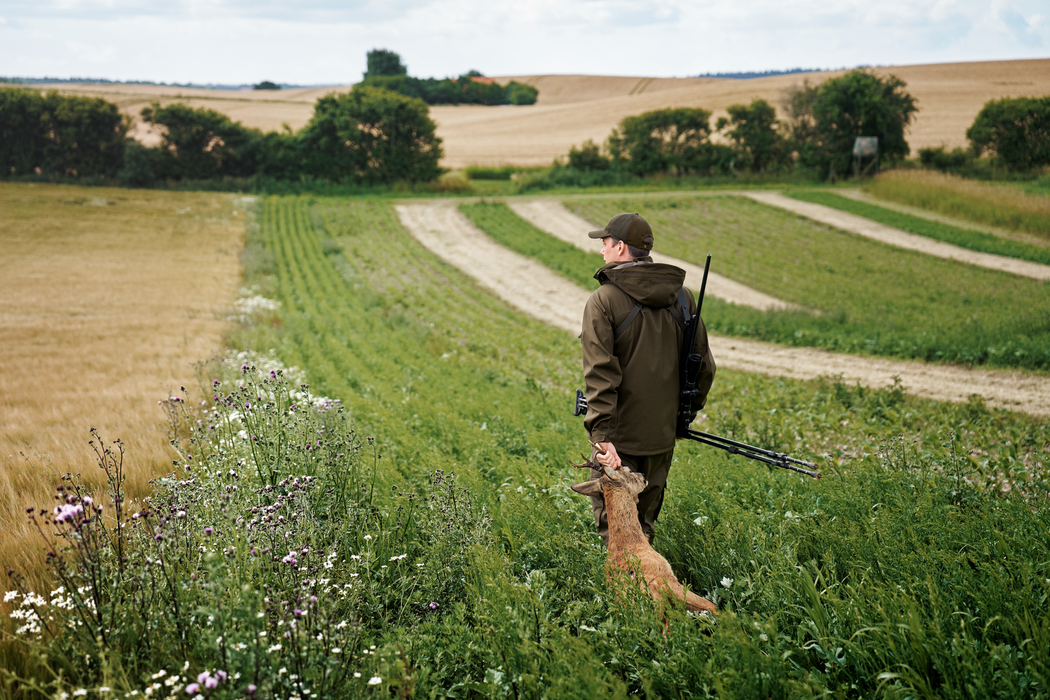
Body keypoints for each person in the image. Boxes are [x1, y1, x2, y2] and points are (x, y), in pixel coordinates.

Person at [581, 212, 716, 545]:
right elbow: (703, 367)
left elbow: (601, 374)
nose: (602, 249)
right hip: (661, 438)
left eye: (605, 242)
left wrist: (602, 436)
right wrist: (682, 418)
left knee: (618, 535)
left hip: (618, 442)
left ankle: (630, 581)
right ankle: (648, 578)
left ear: (621, 247)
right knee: (643, 530)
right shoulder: (683, 298)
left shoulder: (603, 301)